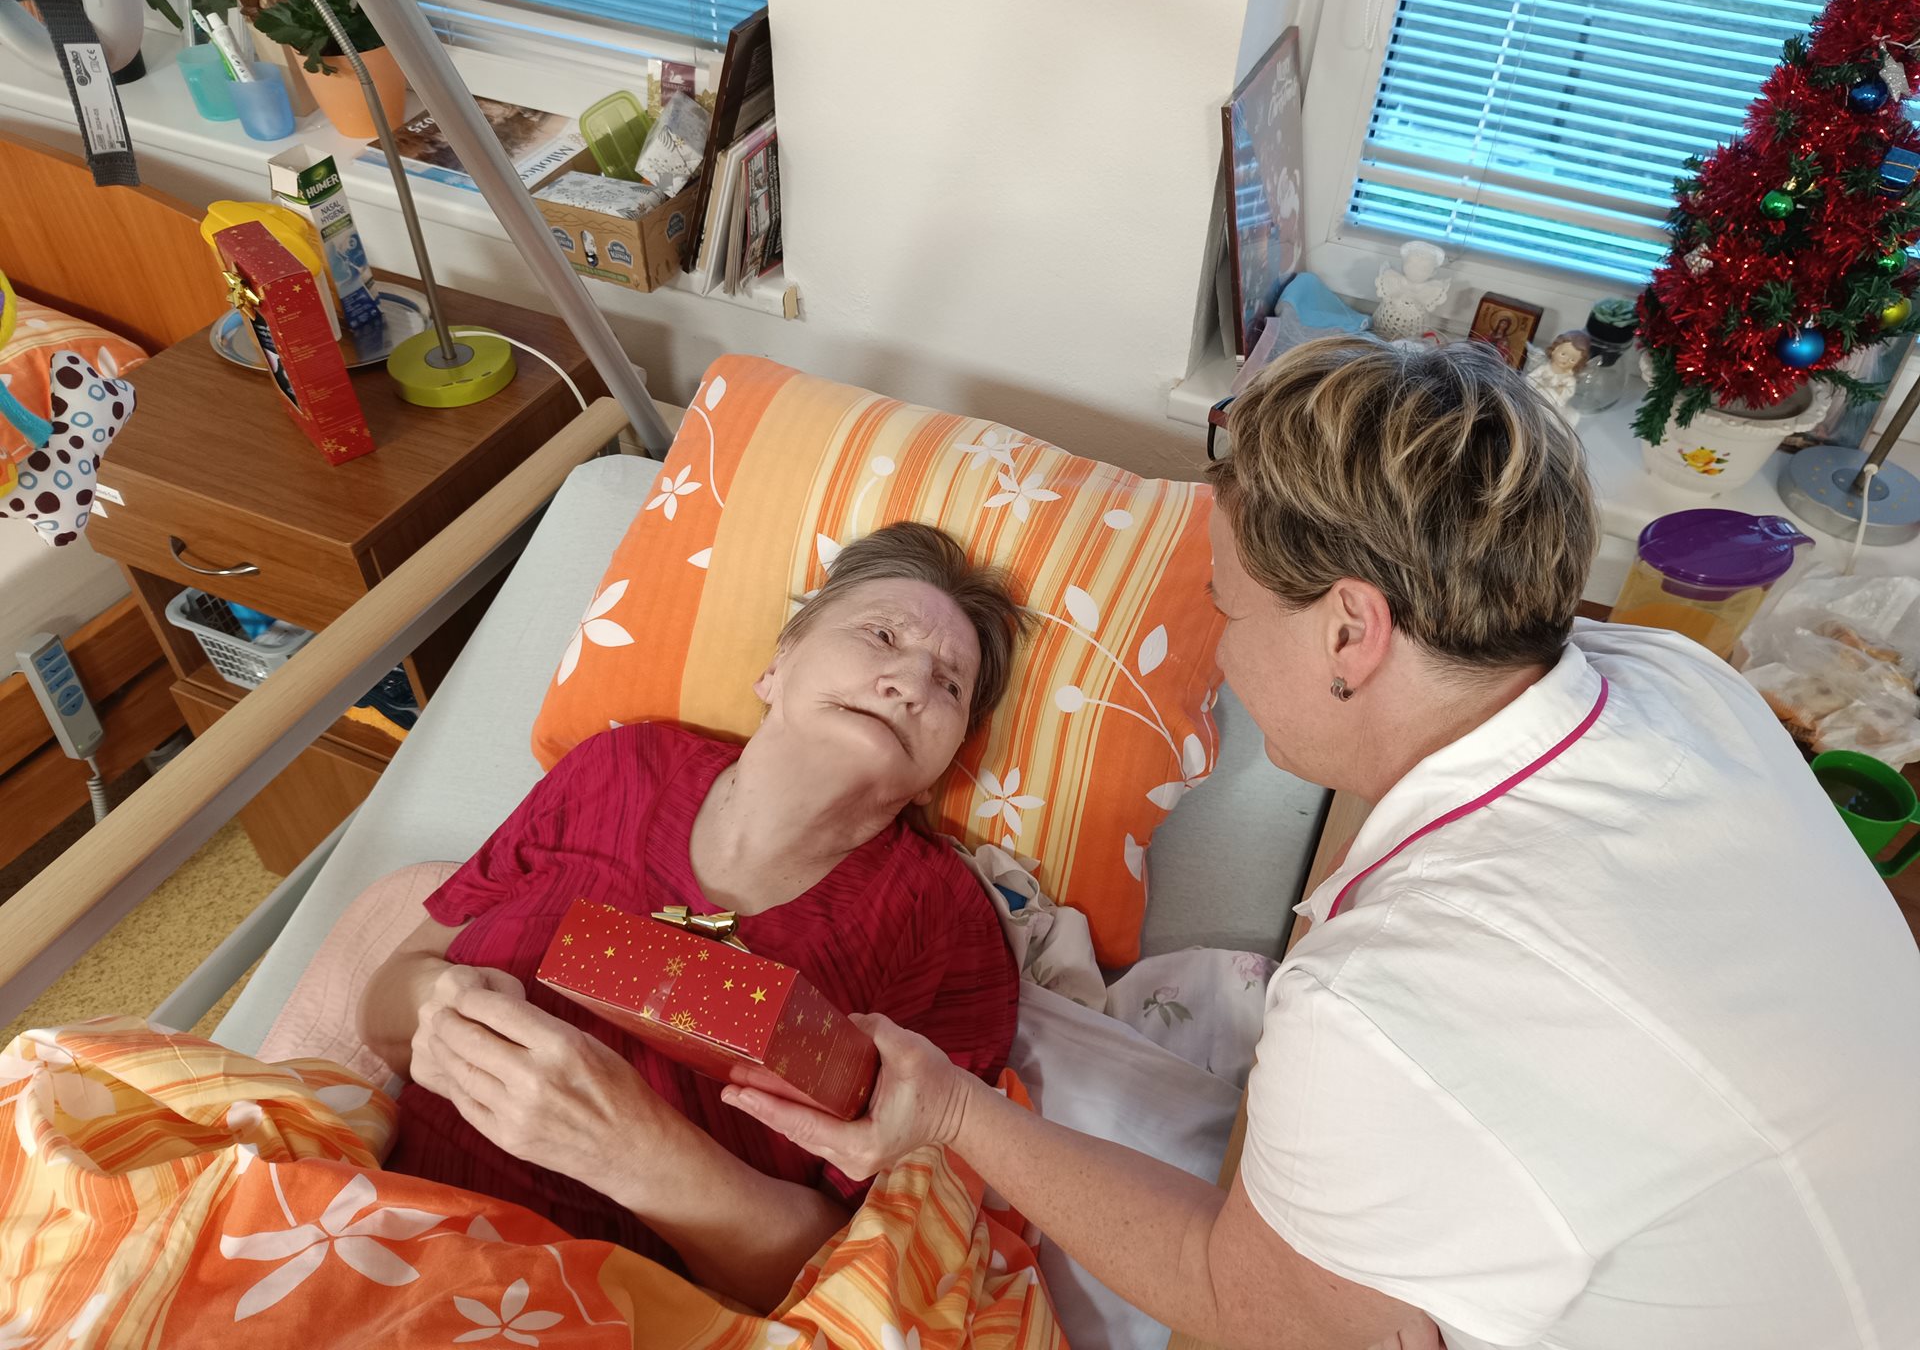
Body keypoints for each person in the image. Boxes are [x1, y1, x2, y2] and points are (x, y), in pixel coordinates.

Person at [727, 337, 1920, 1349]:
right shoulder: (1673, 676)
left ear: (1352, 631)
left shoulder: (1388, 1002)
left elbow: (1248, 1305)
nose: (1222, 657)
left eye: (1229, 609)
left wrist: (948, 1114)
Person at [360, 522, 1026, 1313]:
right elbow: (386, 1002)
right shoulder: (616, 767)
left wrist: (633, 1153)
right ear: (777, 666)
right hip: (374, 1237)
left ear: (935, 776)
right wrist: (442, 1012)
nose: (912, 682)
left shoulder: (941, 923)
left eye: (949, 685)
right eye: (882, 635)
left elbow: (861, 1275)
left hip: (613, 1312)